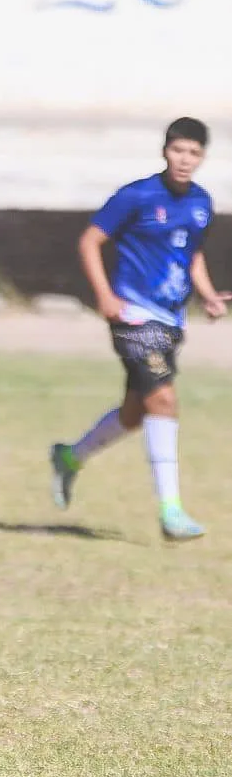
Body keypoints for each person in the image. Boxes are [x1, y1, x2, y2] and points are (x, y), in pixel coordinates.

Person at [50, 117, 229, 541]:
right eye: (178, 150)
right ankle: (172, 512)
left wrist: (207, 294)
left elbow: (191, 254)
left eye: (194, 153)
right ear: (165, 151)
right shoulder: (137, 196)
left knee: (135, 413)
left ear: (203, 157)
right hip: (133, 316)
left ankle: (70, 458)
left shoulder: (201, 202)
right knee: (163, 400)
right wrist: (105, 296)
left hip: (170, 322)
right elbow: (89, 241)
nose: (184, 160)